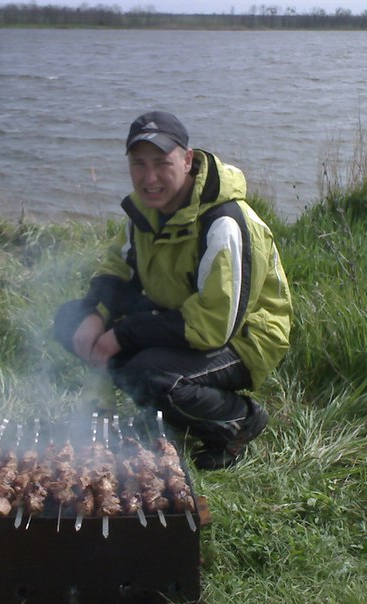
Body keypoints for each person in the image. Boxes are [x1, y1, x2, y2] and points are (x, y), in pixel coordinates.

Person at [54, 111, 292, 470]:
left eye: (162, 163)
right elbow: (118, 268)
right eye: (139, 165)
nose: (149, 178)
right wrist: (94, 314)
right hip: (177, 314)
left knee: (149, 373)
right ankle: (158, 412)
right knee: (70, 322)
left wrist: (124, 333)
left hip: (244, 335)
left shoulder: (224, 222)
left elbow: (214, 325)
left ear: (187, 160)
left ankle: (238, 421)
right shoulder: (145, 212)